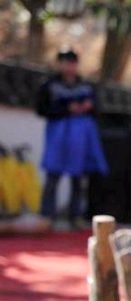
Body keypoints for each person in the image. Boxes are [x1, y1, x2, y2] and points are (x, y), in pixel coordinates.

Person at [36, 48, 108, 227]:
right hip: (58, 136)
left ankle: (75, 216)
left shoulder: (86, 87)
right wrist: (66, 110)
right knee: (53, 176)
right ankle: (46, 216)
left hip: (81, 138)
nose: (70, 68)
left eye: (73, 64)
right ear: (59, 64)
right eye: (67, 63)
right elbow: (41, 110)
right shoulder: (49, 86)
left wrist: (88, 107)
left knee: (79, 179)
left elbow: (98, 110)